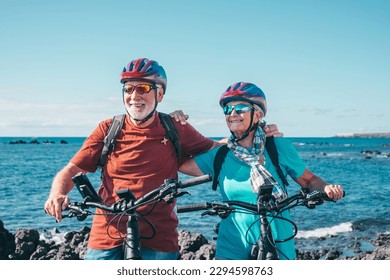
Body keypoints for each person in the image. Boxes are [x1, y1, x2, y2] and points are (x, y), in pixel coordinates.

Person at [44, 58, 281, 260]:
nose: (134, 96)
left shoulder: (174, 127)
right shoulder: (108, 128)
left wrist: (257, 132)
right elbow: (72, 169)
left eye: (143, 88)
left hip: (159, 236)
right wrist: (57, 193)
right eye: (129, 89)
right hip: (107, 231)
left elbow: (217, 149)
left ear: (159, 94)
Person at [178, 81, 344, 260]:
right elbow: (179, 163)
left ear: (257, 114)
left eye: (240, 108)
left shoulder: (277, 147)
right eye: (228, 109)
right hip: (233, 242)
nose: (233, 114)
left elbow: (309, 180)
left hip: (278, 238)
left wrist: (327, 188)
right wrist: (176, 127)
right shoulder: (220, 154)